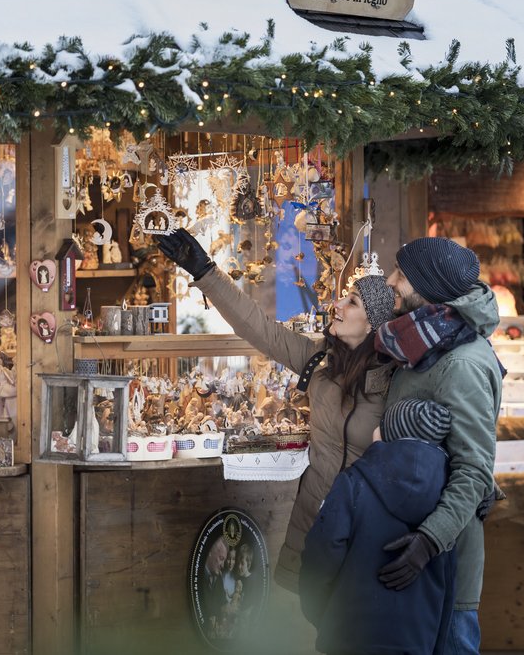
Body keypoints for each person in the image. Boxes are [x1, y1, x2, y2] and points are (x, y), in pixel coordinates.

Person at [157, 228, 395, 592]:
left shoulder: (396, 379)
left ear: (373, 323)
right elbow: (259, 329)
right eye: (344, 297)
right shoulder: (320, 358)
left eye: (353, 303)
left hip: (365, 527)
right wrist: (205, 271)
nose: (338, 305)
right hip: (312, 519)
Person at [372, 237, 504, 654]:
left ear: (428, 288)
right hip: (409, 547)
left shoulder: (461, 363)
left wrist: (429, 542)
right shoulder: (425, 341)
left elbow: (474, 471)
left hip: (442, 559)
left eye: (402, 276)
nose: (392, 282)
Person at [300, 398, 456, 655]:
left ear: (388, 433)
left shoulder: (353, 482)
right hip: (418, 639)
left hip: (349, 635)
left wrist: (321, 614)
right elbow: (449, 578)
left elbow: (322, 553)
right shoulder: (449, 499)